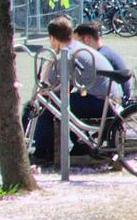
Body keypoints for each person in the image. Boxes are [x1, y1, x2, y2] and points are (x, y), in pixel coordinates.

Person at [30, 16, 105, 166]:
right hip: (106, 98)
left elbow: (46, 88)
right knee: (61, 103)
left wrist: (51, 59)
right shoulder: (77, 48)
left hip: (98, 101)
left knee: (46, 107)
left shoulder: (67, 54)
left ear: (52, 38)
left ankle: (44, 152)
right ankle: (78, 147)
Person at [73, 21, 133, 101]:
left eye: (77, 42)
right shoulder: (105, 50)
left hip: (114, 100)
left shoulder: (99, 57)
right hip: (118, 96)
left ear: (87, 39)